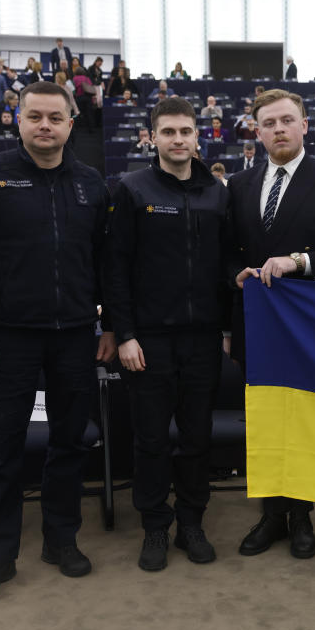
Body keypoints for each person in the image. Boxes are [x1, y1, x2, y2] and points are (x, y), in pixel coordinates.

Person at [0, 81, 116, 604]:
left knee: (69, 444)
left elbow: (107, 266)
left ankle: (61, 540)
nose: (45, 125)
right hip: (7, 339)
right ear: (18, 121)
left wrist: (111, 326)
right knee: (2, 449)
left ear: (70, 123)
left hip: (74, 337)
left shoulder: (91, 184)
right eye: (34, 116)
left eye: (54, 117)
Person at [229, 89, 315, 560]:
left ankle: (303, 516)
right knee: (266, 422)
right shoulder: (240, 185)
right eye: (268, 123)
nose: (278, 130)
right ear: (257, 131)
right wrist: (236, 274)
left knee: (307, 422)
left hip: (312, 329)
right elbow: (228, 253)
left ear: (305, 125)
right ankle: (272, 514)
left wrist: (300, 261)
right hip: (257, 327)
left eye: (287, 120)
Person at [104, 96, 229, 572]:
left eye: (186, 131)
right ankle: (155, 525)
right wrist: (125, 333)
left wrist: (225, 328)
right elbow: (114, 268)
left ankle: (191, 523)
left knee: (197, 437)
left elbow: (222, 267)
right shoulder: (131, 189)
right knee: (152, 439)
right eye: (169, 132)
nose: (178, 140)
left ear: (198, 136)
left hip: (201, 341)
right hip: (148, 341)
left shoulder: (218, 192)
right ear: (152, 136)